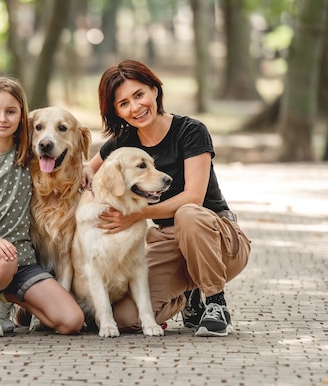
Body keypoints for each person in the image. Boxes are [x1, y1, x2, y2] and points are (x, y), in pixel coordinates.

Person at [81, 60, 251, 337]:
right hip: (170, 242)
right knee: (126, 318)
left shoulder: (190, 131)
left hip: (217, 238)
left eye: (139, 95)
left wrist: (136, 215)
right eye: (123, 103)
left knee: (187, 213)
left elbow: (194, 197)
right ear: (116, 111)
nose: (135, 107)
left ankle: (216, 302)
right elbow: (90, 169)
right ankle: (189, 296)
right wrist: (84, 175)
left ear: (154, 90)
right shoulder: (123, 144)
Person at [0, 77, 84, 338]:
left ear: (21, 117)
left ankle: (10, 302)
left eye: (11, 112)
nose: (2, 118)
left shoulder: (29, 157)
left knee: (71, 322)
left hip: (24, 264)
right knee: (4, 260)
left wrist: (89, 169)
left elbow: (64, 154)